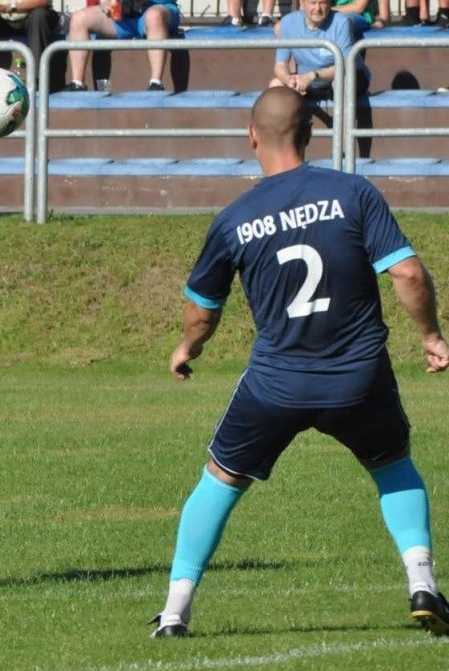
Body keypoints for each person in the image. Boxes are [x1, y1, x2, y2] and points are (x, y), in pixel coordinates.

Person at [154, 87, 449, 639]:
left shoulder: (234, 220)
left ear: (250, 137)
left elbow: (202, 311)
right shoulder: (353, 192)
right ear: (310, 135)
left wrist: (187, 349)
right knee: (392, 466)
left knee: (220, 478)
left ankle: (174, 611)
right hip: (358, 378)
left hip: (276, 385)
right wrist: (432, 336)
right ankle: (423, 583)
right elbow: (407, 273)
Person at [271, 0, 373, 158]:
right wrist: (288, 79)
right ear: (302, 3)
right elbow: (280, 65)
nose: (317, 8)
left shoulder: (341, 22)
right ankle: (280, 156)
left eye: (323, 3)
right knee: (275, 86)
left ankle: (345, 156)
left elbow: (347, 66)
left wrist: (313, 75)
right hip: (308, 82)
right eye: (313, 2)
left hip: (342, 77)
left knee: (343, 84)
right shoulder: (289, 23)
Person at [64, 0, 179, 93]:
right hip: (122, 15)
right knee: (78, 19)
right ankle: (78, 84)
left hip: (157, 8)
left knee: (155, 16)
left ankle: (156, 83)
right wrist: (104, 3)